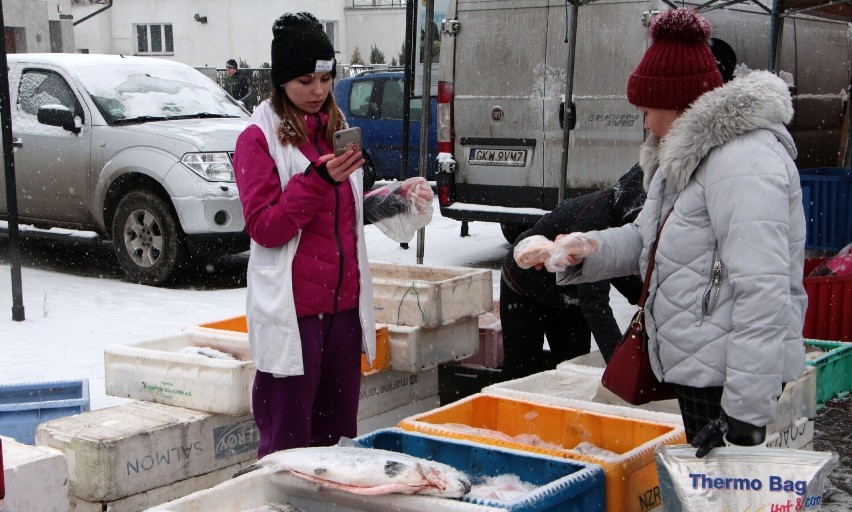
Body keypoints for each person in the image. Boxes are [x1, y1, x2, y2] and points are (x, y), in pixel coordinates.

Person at [528, 8, 807, 457]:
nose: (644, 124)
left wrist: (745, 413)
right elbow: (647, 238)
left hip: (727, 382)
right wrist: (589, 248)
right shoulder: (687, 157)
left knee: (728, 502)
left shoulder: (744, 164)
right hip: (701, 367)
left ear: (679, 103)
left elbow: (765, 291)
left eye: (647, 111)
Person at [232, 11, 433, 459]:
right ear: (281, 80)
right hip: (295, 314)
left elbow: (345, 212)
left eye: (325, 78)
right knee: (288, 443)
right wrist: (317, 181)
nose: (318, 90)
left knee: (339, 440)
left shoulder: (336, 131)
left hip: (342, 310)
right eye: (305, 80)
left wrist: (396, 200)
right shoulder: (257, 139)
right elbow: (265, 227)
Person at [500, 164, 646, 380]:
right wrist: (621, 369)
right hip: (524, 288)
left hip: (569, 295)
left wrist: (645, 297)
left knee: (573, 372)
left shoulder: (621, 215)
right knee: (522, 374)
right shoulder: (594, 221)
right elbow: (595, 305)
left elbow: (616, 265)